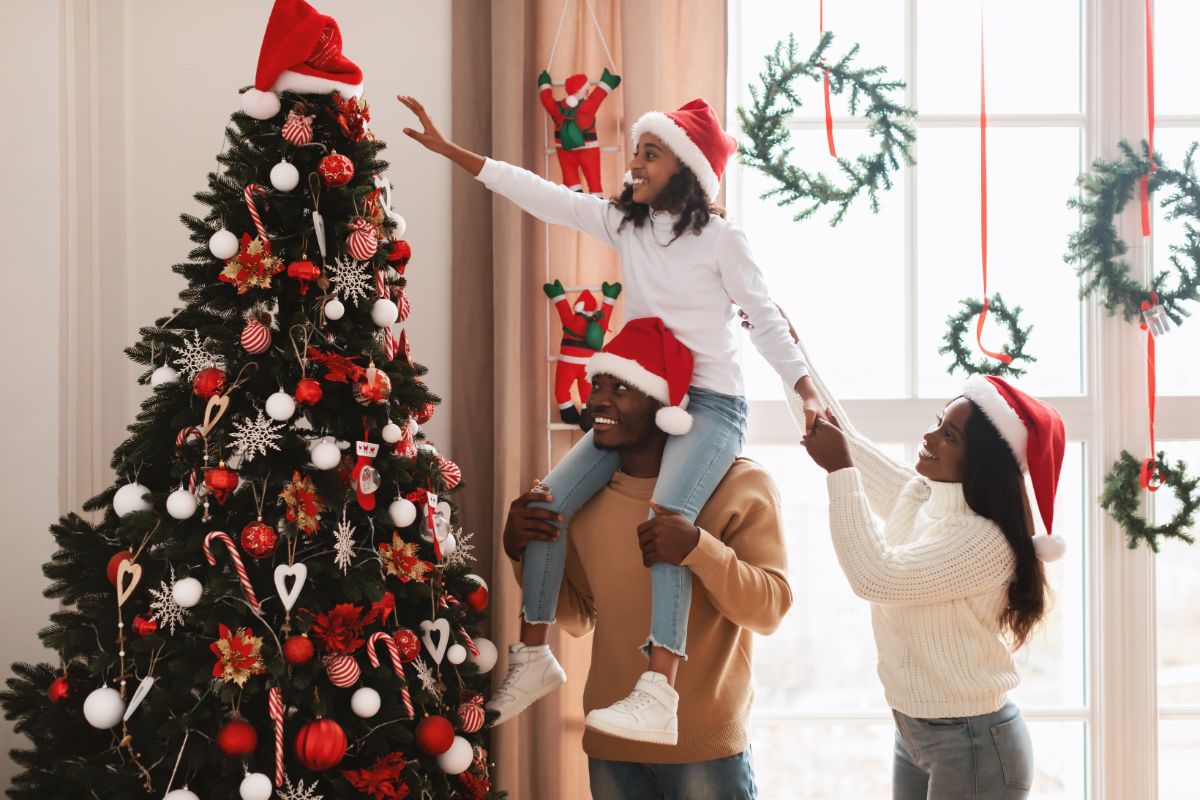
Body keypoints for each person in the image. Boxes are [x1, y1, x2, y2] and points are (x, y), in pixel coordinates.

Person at [398, 93, 824, 742]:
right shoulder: (625, 224)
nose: (634, 165)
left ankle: (659, 689)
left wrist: (804, 389)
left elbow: (764, 320)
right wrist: (450, 151)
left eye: (650, 154)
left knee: (666, 523)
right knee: (547, 504)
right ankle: (536, 656)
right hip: (648, 399)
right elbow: (540, 193)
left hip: (711, 404)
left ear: (685, 168)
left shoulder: (722, 239)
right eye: (635, 153)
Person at [501, 319, 791, 798]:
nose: (597, 400)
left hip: (704, 747)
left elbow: (770, 609)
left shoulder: (741, 484)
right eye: (597, 385)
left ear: (664, 405)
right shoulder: (583, 497)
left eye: (621, 387)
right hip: (612, 742)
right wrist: (520, 551)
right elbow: (580, 617)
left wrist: (698, 549)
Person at [796, 350, 1066, 799]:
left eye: (949, 435)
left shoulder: (983, 541)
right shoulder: (923, 494)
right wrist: (788, 353)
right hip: (916, 731)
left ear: (979, 461)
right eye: (939, 420)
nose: (930, 436)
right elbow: (847, 441)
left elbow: (876, 577)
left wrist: (839, 470)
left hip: (972, 743)